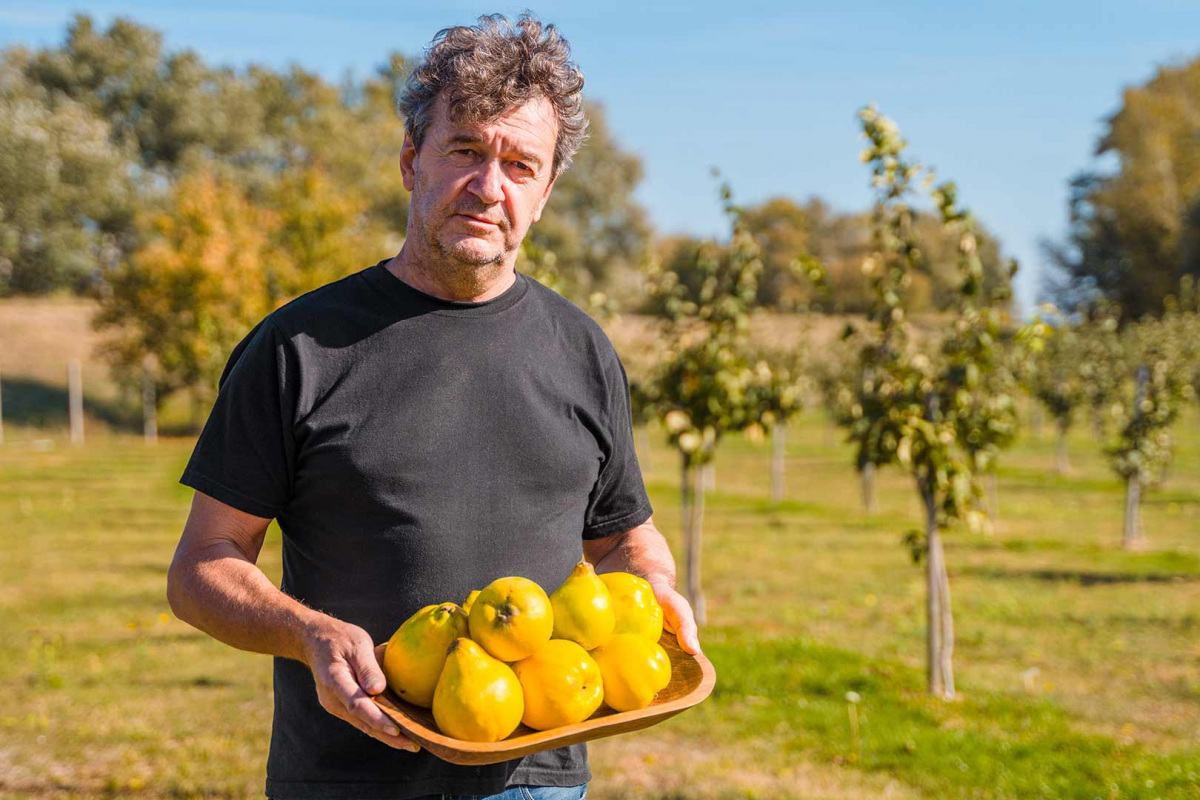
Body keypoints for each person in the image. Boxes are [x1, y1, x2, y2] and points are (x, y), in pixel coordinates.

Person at [165, 12, 701, 800]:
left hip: (537, 778)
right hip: (345, 776)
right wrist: (307, 633)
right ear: (412, 160)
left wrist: (653, 586)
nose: (490, 187)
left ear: (546, 191)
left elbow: (622, 539)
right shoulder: (299, 346)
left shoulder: (582, 350)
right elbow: (202, 568)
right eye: (465, 151)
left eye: (521, 165)